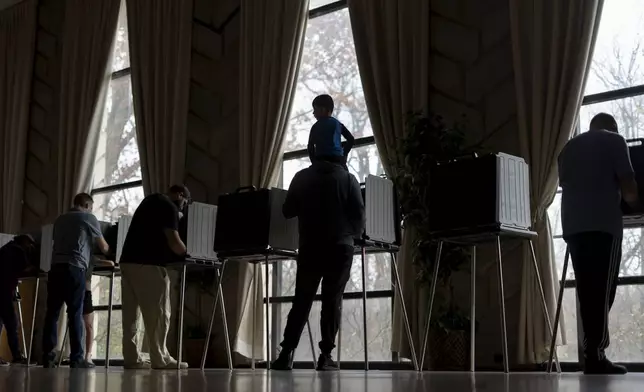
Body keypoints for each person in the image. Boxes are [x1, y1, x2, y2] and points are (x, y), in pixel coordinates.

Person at [558, 112, 640, 375]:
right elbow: (628, 186)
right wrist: (636, 204)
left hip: (573, 226)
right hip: (603, 224)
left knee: (586, 290)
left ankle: (591, 353)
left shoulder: (568, 148)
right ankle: (596, 355)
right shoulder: (615, 141)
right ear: (613, 128)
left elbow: (569, 183)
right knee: (604, 291)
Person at [271, 160, 365, 371]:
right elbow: (359, 213)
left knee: (302, 300)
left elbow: (287, 210)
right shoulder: (348, 179)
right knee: (332, 301)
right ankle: (325, 356)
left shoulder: (302, 177)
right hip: (341, 246)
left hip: (310, 246)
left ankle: (285, 355)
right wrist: (355, 236)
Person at [119, 185, 191, 370]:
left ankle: (131, 358)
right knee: (159, 314)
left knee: (130, 315)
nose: (182, 209)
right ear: (181, 196)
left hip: (127, 262)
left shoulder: (149, 201)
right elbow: (174, 241)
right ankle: (161, 359)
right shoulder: (169, 207)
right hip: (149, 264)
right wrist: (191, 253)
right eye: (184, 204)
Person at [42, 193, 109, 368]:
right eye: (91, 207)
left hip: (55, 268)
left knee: (52, 313)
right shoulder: (88, 217)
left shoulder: (60, 220)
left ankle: (48, 357)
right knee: (75, 313)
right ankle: (77, 358)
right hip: (75, 268)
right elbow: (104, 246)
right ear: (87, 205)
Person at [0, 235, 36, 365]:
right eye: (29, 243)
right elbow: (25, 269)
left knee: (1, 323)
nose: (30, 246)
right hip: (5, 291)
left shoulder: (4, 248)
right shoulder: (18, 251)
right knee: (12, 324)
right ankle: (17, 357)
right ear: (24, 242)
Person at [307, 94, 355, 170]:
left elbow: (310, 147)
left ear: (322, 109)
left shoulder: (315, 126)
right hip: (338, 160)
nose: (313, 113)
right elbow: (351, 139)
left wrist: (314, 162)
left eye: (315, 110)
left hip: (321, 160)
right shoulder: (338, 124)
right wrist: (344, 154)